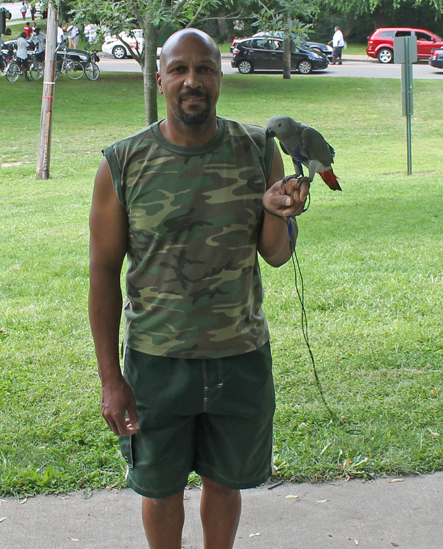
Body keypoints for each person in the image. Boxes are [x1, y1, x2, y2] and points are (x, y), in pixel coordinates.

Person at [89, 28, 309, 549]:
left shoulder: (258, 150)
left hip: (239, 356)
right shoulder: (123, 163)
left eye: (205, 69)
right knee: (161, 491)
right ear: (160, 75)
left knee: (225, 482)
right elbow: (103, 273)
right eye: (181, 69)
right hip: (156, 362)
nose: (193, 81)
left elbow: (276, 255)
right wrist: (110, 378)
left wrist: (281, 213)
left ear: (220, 76)